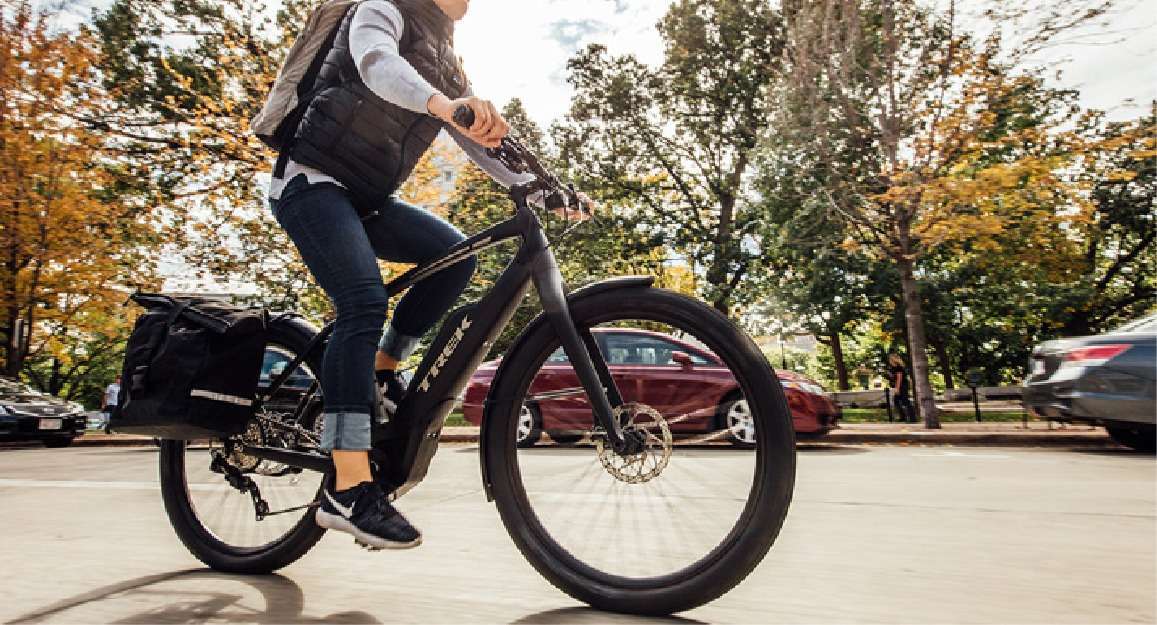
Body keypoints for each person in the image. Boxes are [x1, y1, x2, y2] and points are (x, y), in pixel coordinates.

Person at [266, 0, 576, 551]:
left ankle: (382, 371)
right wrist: (443, 104)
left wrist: (541, 186)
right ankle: (348, 485)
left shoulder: (449, 62)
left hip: (364, 198)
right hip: (308, 181)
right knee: (362, 301)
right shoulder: (381, 8)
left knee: (455, 255)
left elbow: (477, 140)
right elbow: (377, 65)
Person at [888, 353, 916, 424]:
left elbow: (899, 379)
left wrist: (897, 388)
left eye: (890, 359)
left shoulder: (899, 367)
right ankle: (903, 417)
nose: (889, 361)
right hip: (899, 385)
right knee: (896, 401)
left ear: (893, 360)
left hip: (902, 386)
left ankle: (913, 418)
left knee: (905, 401)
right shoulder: (893, 368)